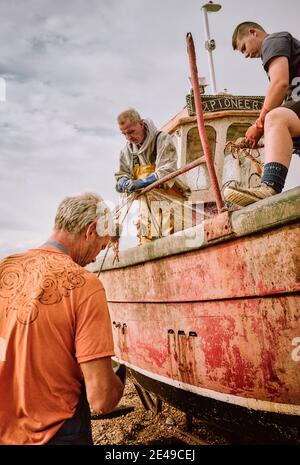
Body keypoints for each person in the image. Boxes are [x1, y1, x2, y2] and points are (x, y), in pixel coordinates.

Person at [0, 193, 125, 445]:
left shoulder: (4, 269)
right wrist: (118, 382)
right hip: (58, 432)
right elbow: (101, 399)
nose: (94, 259)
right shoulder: (86, 285)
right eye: (101, 248)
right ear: (90, 230)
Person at [224, 22, 300, 206]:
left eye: (244, 47)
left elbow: (279, 84)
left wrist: (259, 125)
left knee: (274, 118)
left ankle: (270, 185)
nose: (246, 54)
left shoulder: (273, 40)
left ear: (253, 33)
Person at [115, 108, 191, 244]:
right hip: (146, 210)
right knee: (146, 243)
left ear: (141, 124)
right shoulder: (127, 151)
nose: (128, 137)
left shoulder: (162, 140)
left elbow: (167, 170)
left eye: (131, 131)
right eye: (124, 134)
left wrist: (142, 182)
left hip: (171, 205)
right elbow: (121, 174)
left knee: (172, 243)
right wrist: (122, 182)